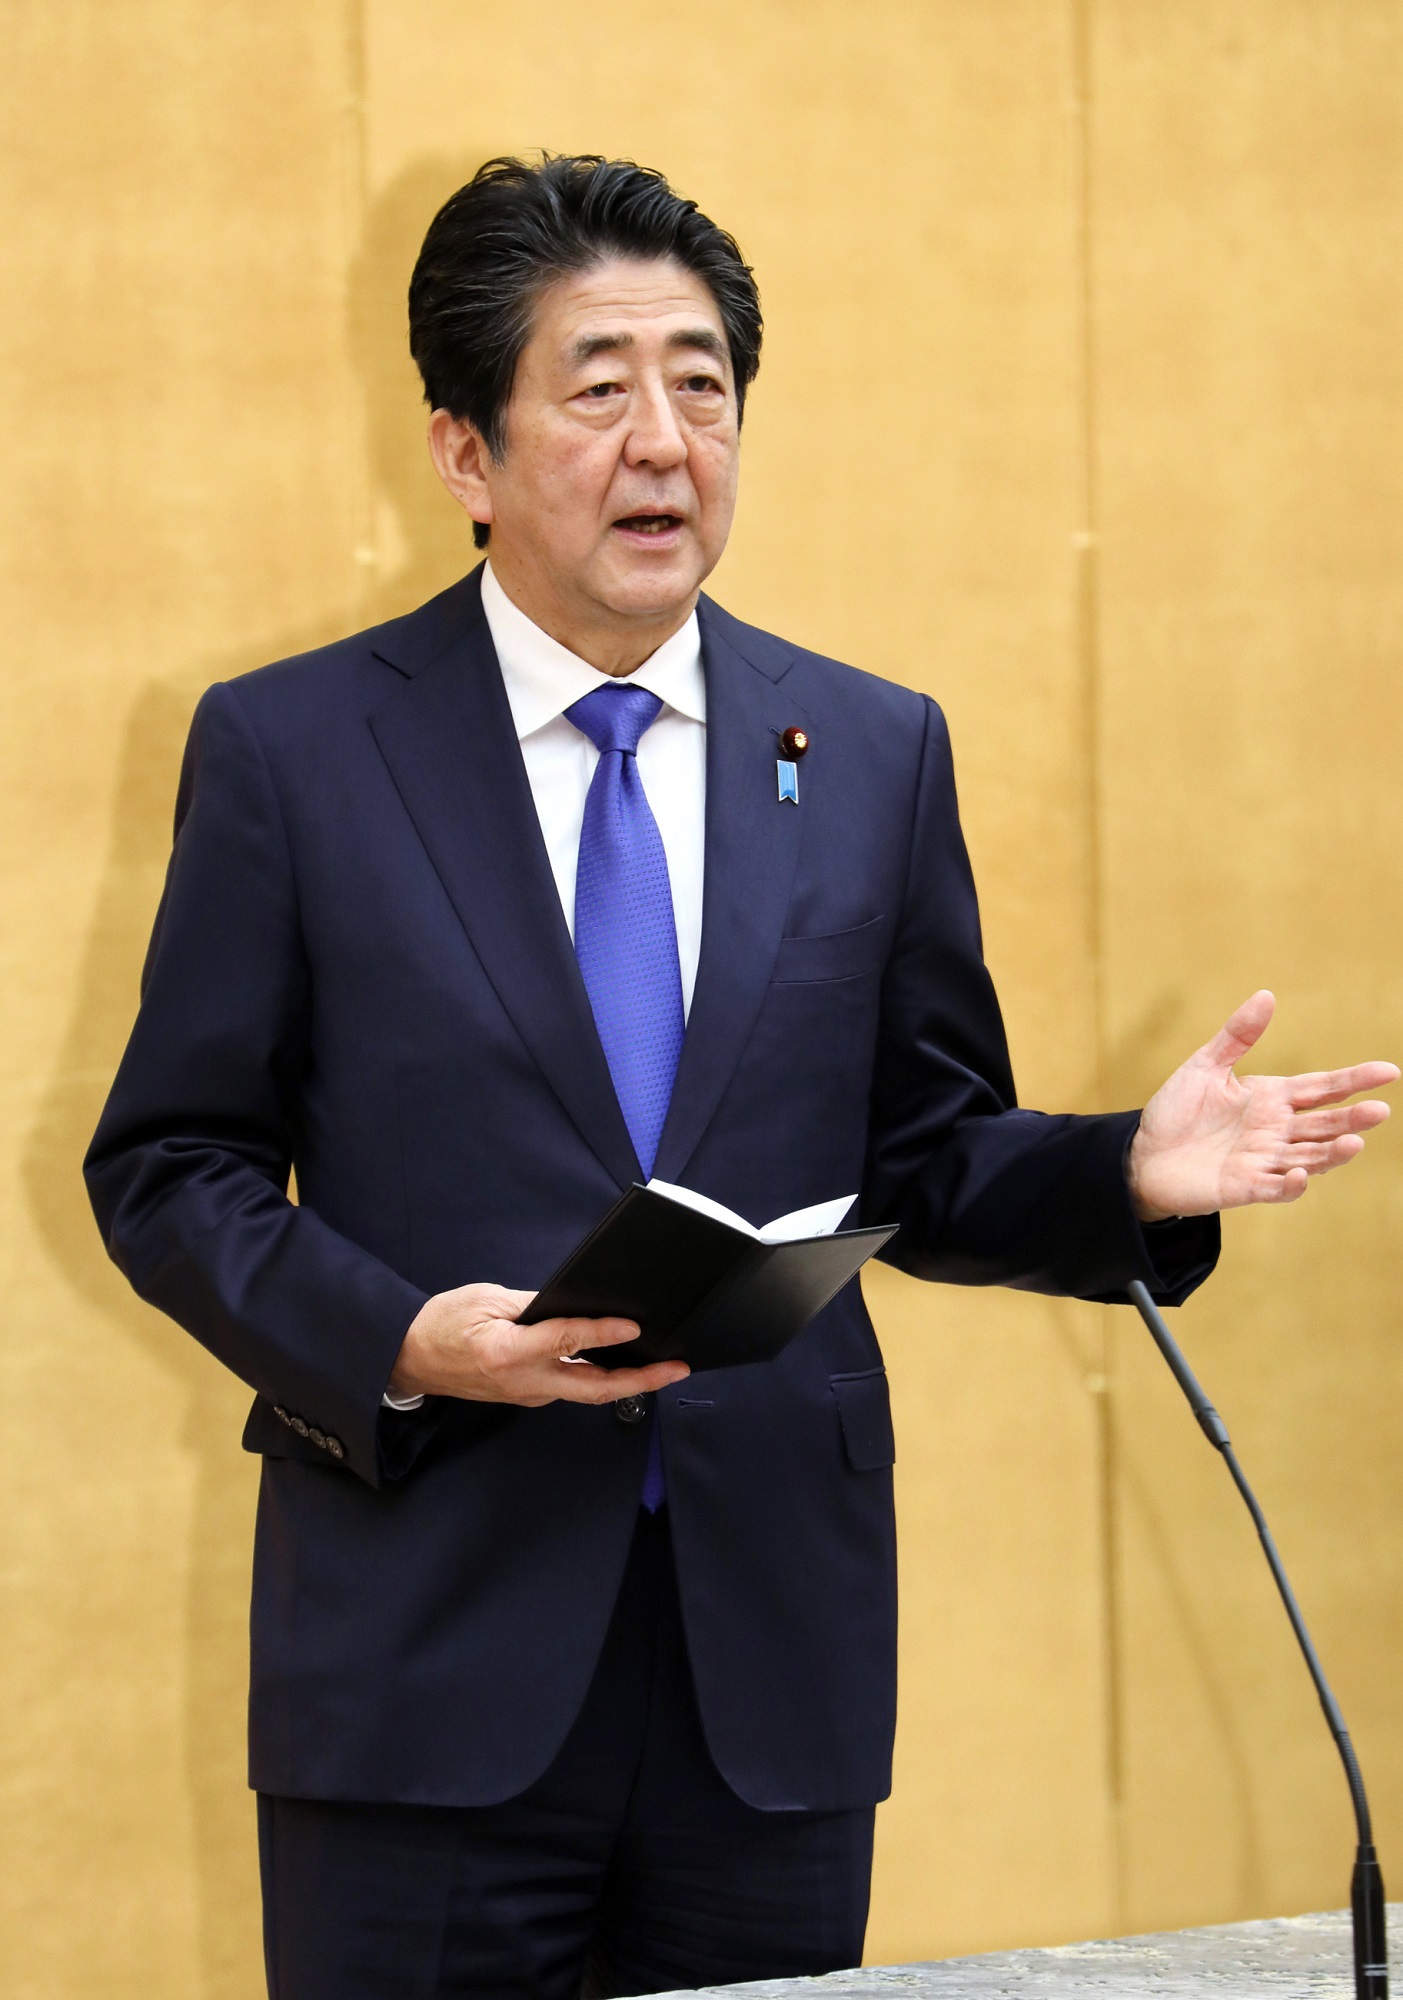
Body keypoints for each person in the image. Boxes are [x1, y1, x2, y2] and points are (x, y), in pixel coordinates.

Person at [84, 155, 1395, 2000]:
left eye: (701, 387)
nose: (663, 441)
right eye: (598, 386)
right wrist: (404, 1341)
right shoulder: (297, 752)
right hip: (425, 1657)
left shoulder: (863, 748)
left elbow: (924, 1154)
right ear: (464, 453)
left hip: (766, 1671)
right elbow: (170, 1165)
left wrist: (1125, 1177)